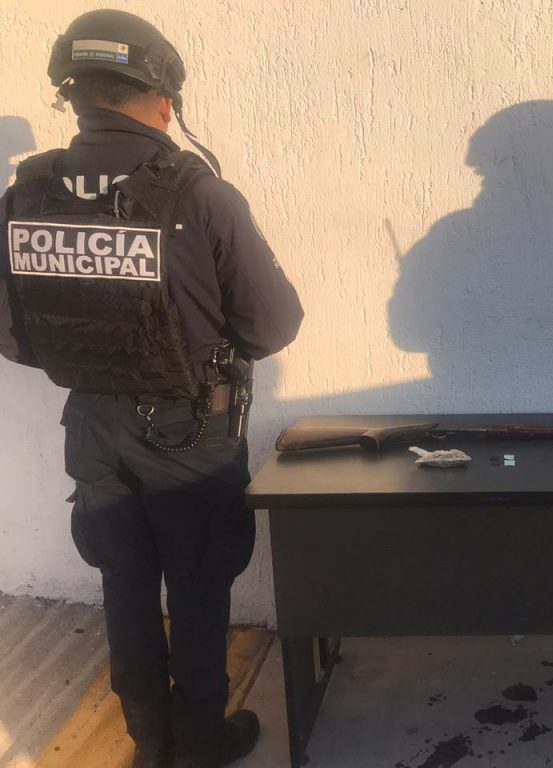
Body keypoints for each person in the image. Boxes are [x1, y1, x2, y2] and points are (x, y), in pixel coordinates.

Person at [0, 10, 303, 768]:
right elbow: (272, 326)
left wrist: (98, 364)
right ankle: (200, 744)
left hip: (91, 429)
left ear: (72, 95)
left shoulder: (26, 193)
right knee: (197, 589)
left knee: (124, 584)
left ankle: (150, 744)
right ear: (165, 100)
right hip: (188, 433)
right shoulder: (200, 194)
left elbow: (13, 335)